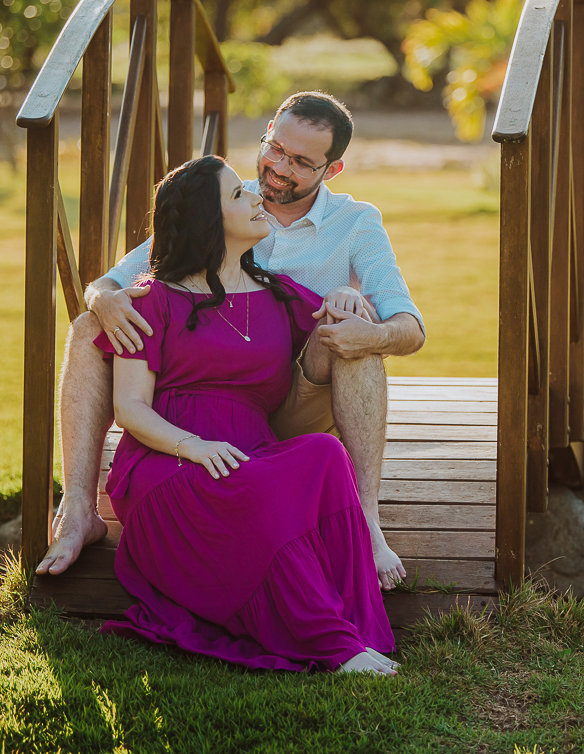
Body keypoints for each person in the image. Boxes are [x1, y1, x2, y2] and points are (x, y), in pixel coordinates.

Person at [39, 93, 425, 591]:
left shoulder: (356, 223)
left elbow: (410, 328)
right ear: (267, 131)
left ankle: (366, 521)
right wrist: (103, 299)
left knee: (355, 342)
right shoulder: (224, 200)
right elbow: (110, 281)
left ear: (333, 170)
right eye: (275, 148)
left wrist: (364, 323)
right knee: (89, 327)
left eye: (302, 162)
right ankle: (77, 508)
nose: (279, 168)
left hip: (290, 394)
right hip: (203, 394)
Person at [97, 154, 396, 674]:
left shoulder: (280, 295)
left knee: (324, 453)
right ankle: (330, 643)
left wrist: (347, 295)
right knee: (251, 489)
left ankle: (346, 620)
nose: (256, 196)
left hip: (248, 452)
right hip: (169, 458)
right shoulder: (153, 301)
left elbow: (334, 318)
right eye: (238, 195)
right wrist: (195, 446)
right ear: (207, 221)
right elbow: (129, 408)